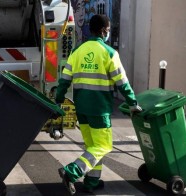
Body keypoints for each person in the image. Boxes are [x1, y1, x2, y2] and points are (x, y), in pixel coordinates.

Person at [55, 14, 142, 195]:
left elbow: (64, 79)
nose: (108, 33)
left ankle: (91, 181)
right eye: (108, 30)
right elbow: (122, 82)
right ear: (103, 31)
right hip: (99, 109)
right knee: (103, 146)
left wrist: (59, 98)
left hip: (82, 109)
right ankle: (72, 171)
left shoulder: (77, 51)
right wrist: (133, 103)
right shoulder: (109, 53)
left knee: (93, 148)